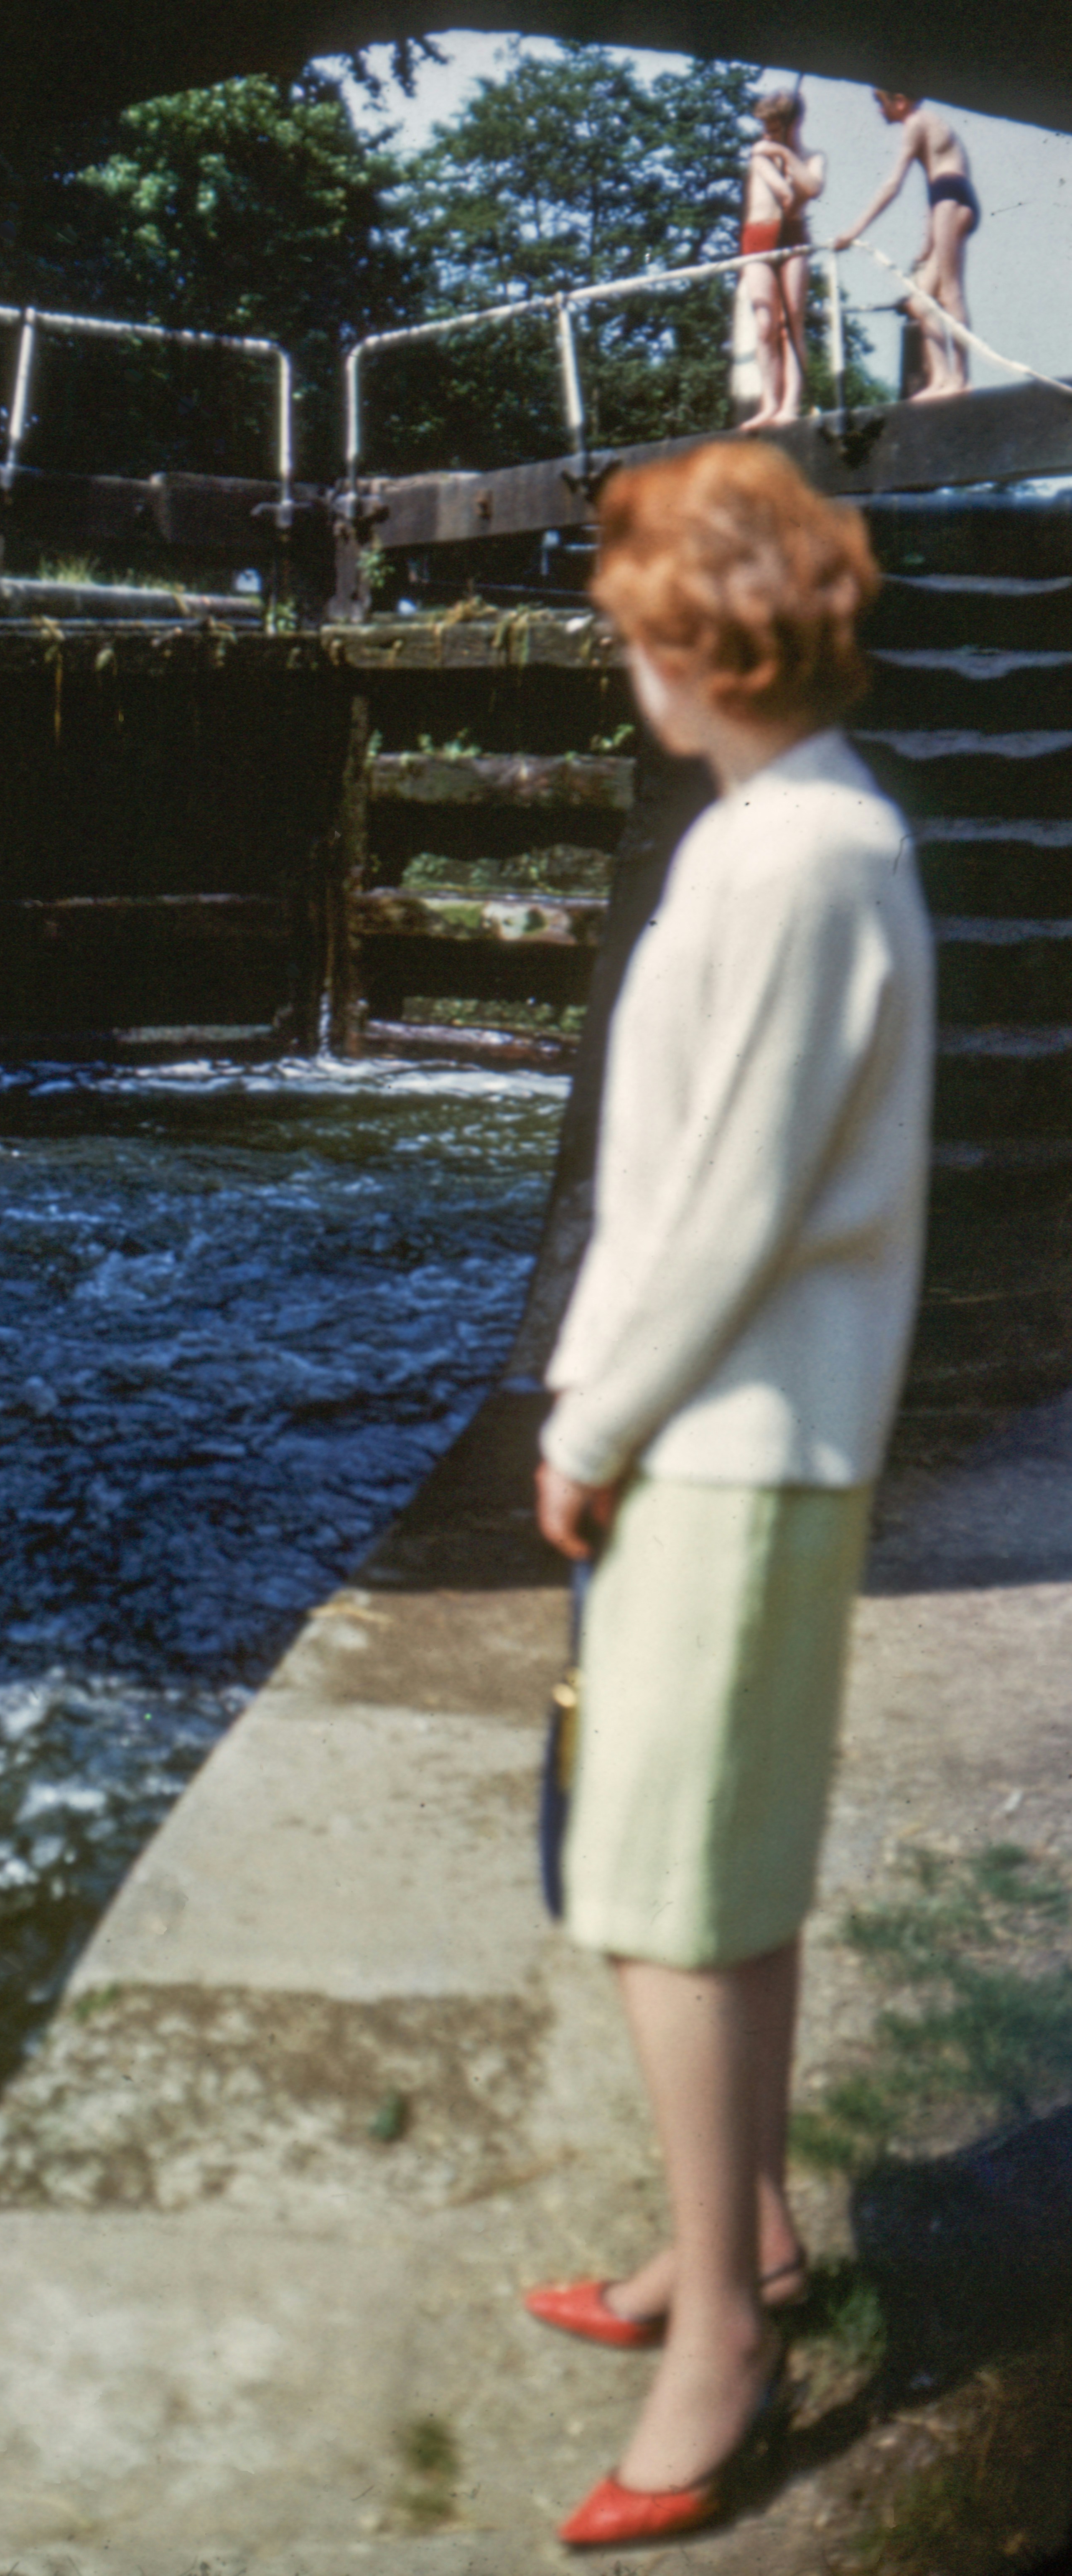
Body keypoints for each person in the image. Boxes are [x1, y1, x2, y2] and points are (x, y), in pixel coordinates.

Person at [524, 440, 935, 2548]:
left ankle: (730, 2360)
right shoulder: (797, 832)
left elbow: (724, 1211)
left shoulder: (790, 862)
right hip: (744, 1435)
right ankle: (740, 2238)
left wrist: (588, 1421)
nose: (626, 671)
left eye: (634, 634)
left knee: (674, 1899)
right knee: (703, 1877)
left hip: (729, 1441)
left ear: (704, 635)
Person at [833, 94, 979, 398]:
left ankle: (961, 379)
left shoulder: (914, 122)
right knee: (920, 302)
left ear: (899, 101)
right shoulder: (930, 124)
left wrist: (854, 230)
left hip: (949, 198)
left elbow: (893, 185)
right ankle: (940, 379)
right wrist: (928, 244)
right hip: (948, 198)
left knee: (950, 292)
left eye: (881, 102)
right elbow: (934, 180)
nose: (878, 109)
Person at [738, 89, 825, 429]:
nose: (766, 137)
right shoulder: (759, 156)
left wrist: (783, 153)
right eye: (765, 130)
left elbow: (812, 189)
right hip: (757, 238)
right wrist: (774, 154)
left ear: (794, 125)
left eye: (774, 130)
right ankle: (769, 404)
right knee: (764, 325)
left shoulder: (814, 157)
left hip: (793, 240)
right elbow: (789, 194)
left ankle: (790, 405)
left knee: (792, 324)